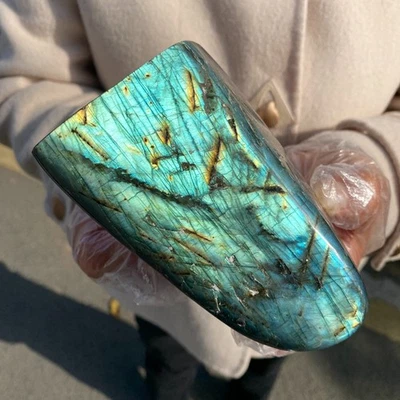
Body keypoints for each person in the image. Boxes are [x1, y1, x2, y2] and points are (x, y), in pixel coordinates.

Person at [1, 1, 399, 399]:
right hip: (161, 280)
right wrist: (94, 172)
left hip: (308, 278)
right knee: (168, 362)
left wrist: (381, 162)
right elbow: (24, 74)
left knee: (264, 369)